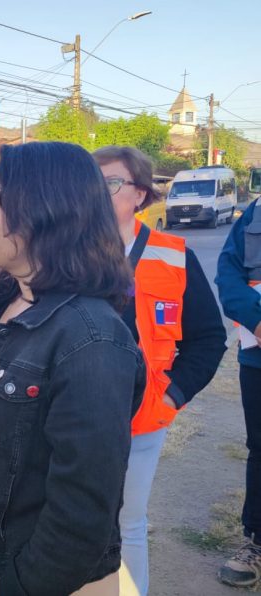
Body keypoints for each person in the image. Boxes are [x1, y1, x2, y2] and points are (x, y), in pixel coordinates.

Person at [0, 142, 146, 595]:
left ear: (46, 206)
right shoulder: (12, 302)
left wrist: (18, 587)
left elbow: (81, 519)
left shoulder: (92, 338)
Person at [93, 146, 226, 595]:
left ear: (141, 195)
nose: (97, 193)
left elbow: (208, 339)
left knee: (128, 522)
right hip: (73, 420)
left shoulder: (173, 256)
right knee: (78, 521)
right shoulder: (64, 255)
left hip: (142, 421)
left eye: (110, 183)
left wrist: (171, 396)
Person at [216, 195, 261, 587]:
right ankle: (256, 542)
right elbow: (227, 275)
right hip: (258, 356)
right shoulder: (255, 214)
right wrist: (258, 321)